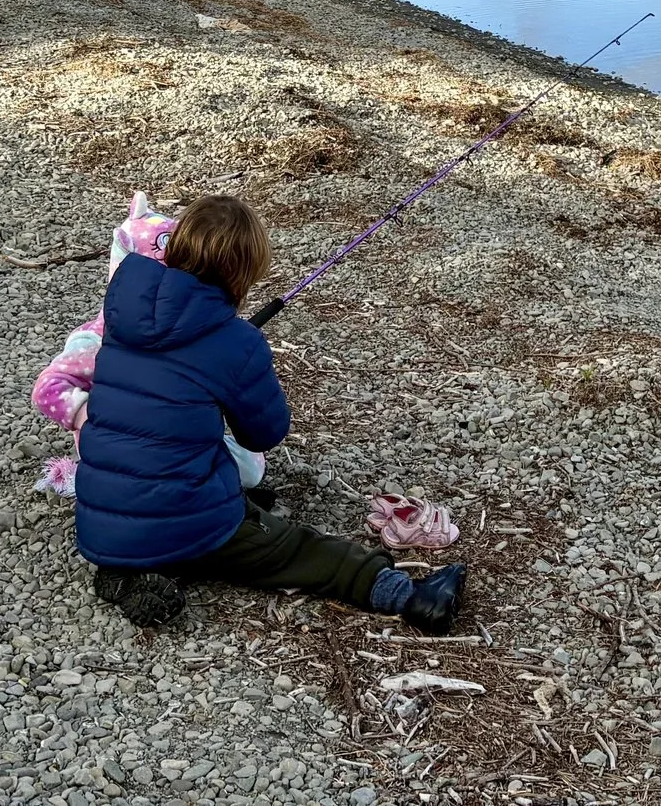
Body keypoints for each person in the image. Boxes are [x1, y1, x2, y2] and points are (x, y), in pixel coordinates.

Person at [73, 194, 468, 633]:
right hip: (188, 519)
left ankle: (127, 569)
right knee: (296, 548)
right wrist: (242, 364)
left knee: (167, 461)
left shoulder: (122, 315)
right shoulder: (235, 342)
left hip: (99, 523)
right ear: (242, 274)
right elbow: (263, 434)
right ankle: (407, 596)